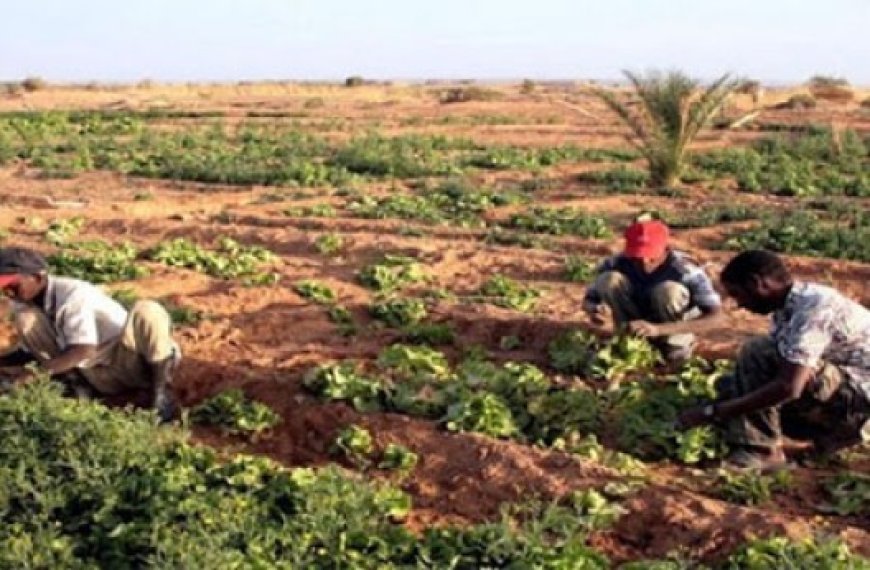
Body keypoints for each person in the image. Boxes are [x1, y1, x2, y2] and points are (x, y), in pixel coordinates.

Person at [679, 250, 870, 468]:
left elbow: (789, 387)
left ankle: (762, 451)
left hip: (860, 400)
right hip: (845, 391)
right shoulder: (787, 308)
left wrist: (714, 412)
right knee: (733, 385)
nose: (740, 305)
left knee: (759, 353)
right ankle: (829, 437)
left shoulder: (815, 308)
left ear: (757, 283)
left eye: (738, 294)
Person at [0, 246, 180, 422]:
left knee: (147, 310)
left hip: (130, 363)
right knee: (26, 319)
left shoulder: (73, 295)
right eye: (4, 287)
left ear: (38, 277)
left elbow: (83, 350)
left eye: (14, 286)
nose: (8, 292)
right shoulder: (25, 303)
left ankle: (161, 393)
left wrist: (33, 375)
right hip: (95, 375)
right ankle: (79, 388)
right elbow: (29, 353)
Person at [582, 219, 724, 362]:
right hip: (635, 321)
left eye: (651, 256)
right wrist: (595, 310)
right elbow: (589, 300)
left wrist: (658, 329)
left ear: (666, 248)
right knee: (609, 279)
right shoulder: (615, 263)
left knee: (668, 291)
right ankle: (628, 337)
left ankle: (674, 344)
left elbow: (715, 317)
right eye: (637, 256)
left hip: (672, 327)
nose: (643, 261)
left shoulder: (686, 270)